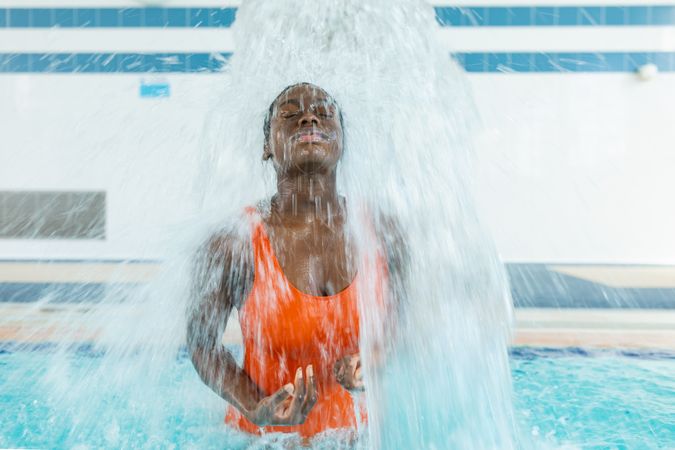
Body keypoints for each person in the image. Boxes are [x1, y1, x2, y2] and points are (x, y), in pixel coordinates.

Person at [187, 83, 404, 439]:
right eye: (290, 114)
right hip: (265, 442)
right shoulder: (233, 242)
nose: (309, 117)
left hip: (358, 439)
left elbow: (405, 316)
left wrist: (377, 353)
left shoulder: (382, 232)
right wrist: (253, 405)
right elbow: (200, 344)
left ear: (341, 142)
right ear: (267, 147)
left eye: (325, 112)